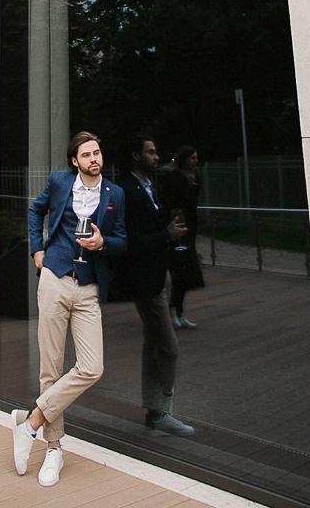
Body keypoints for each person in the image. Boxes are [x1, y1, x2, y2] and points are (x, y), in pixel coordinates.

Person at [11, 131, 126, 487]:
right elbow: (35, 211)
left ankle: (30, 422)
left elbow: (122, 241)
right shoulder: (60, 182)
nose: (94, 158)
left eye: (97, 152)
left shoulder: (115, 194)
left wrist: (104, 242)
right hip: (55, 279)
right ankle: (54, 450)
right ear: (75, 161)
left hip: (88, 288)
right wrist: (37, 252)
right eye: (87, 155)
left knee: (92, 366)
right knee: (51, 367)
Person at [120, 134, 194, 437]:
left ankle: (154, 413)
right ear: (136, 155)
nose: (156, 157)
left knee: (154, 346)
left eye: (156, 152)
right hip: (145, 281)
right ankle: (162, 410)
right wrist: (167, 235)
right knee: (169, 348)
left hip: (158, 274)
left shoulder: (152, 187)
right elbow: (133, 241)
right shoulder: (127, 189)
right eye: (150, 152)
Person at [158, 145, 204, 329]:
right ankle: (173, 310)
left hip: (189, 226)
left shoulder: (195, 178)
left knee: (185, 270)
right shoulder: (171, 178)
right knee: (177, 270)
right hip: (176, 225)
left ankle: (179, 310)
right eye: (192, 158)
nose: (195, 162)